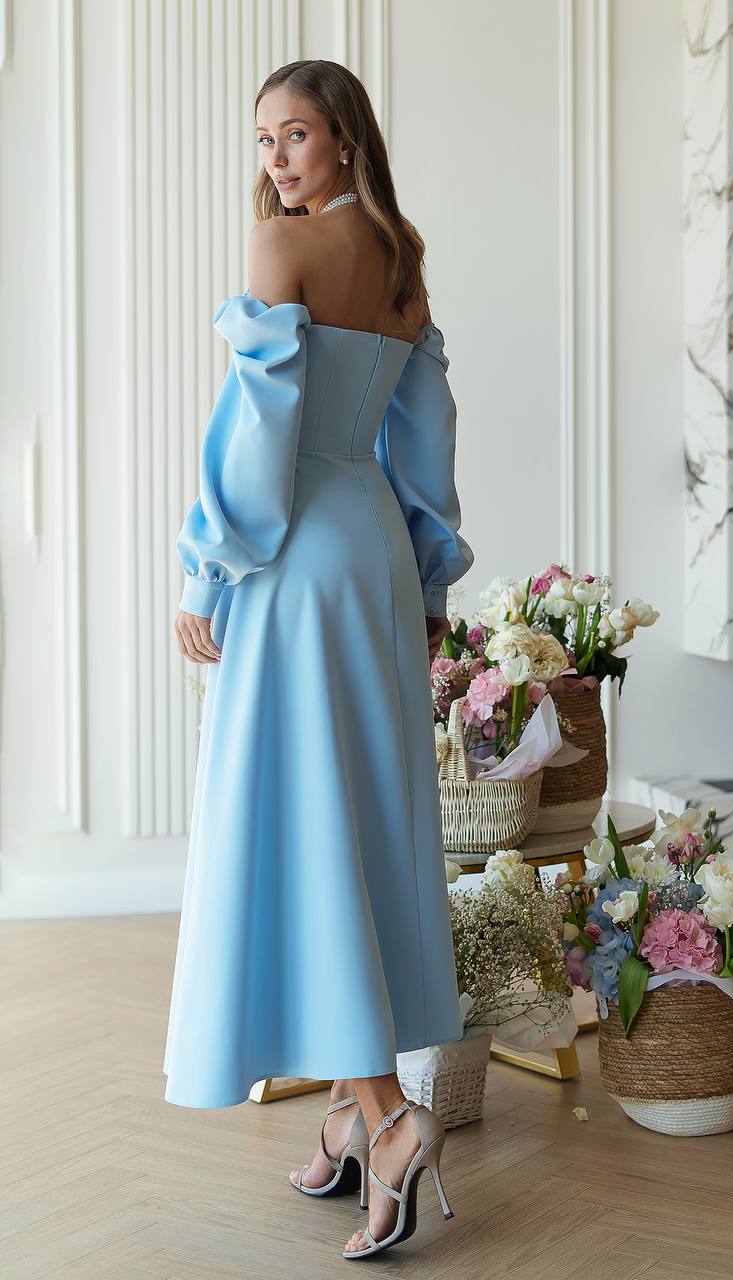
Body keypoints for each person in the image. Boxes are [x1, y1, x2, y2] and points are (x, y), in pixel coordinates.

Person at [163, 58, 473, 1260]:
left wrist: (205, 568)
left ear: (343, 139)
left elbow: (257, 434)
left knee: (304, 819)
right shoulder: (400, 259)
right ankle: (351, 1109)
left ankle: (389, 1117)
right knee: (366, 820)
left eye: (297, 135)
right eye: (266, 139)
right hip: (376, 559)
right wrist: (430, 575)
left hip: (293, 555)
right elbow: (426, 439)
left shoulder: (277, 251)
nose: (279, 159)